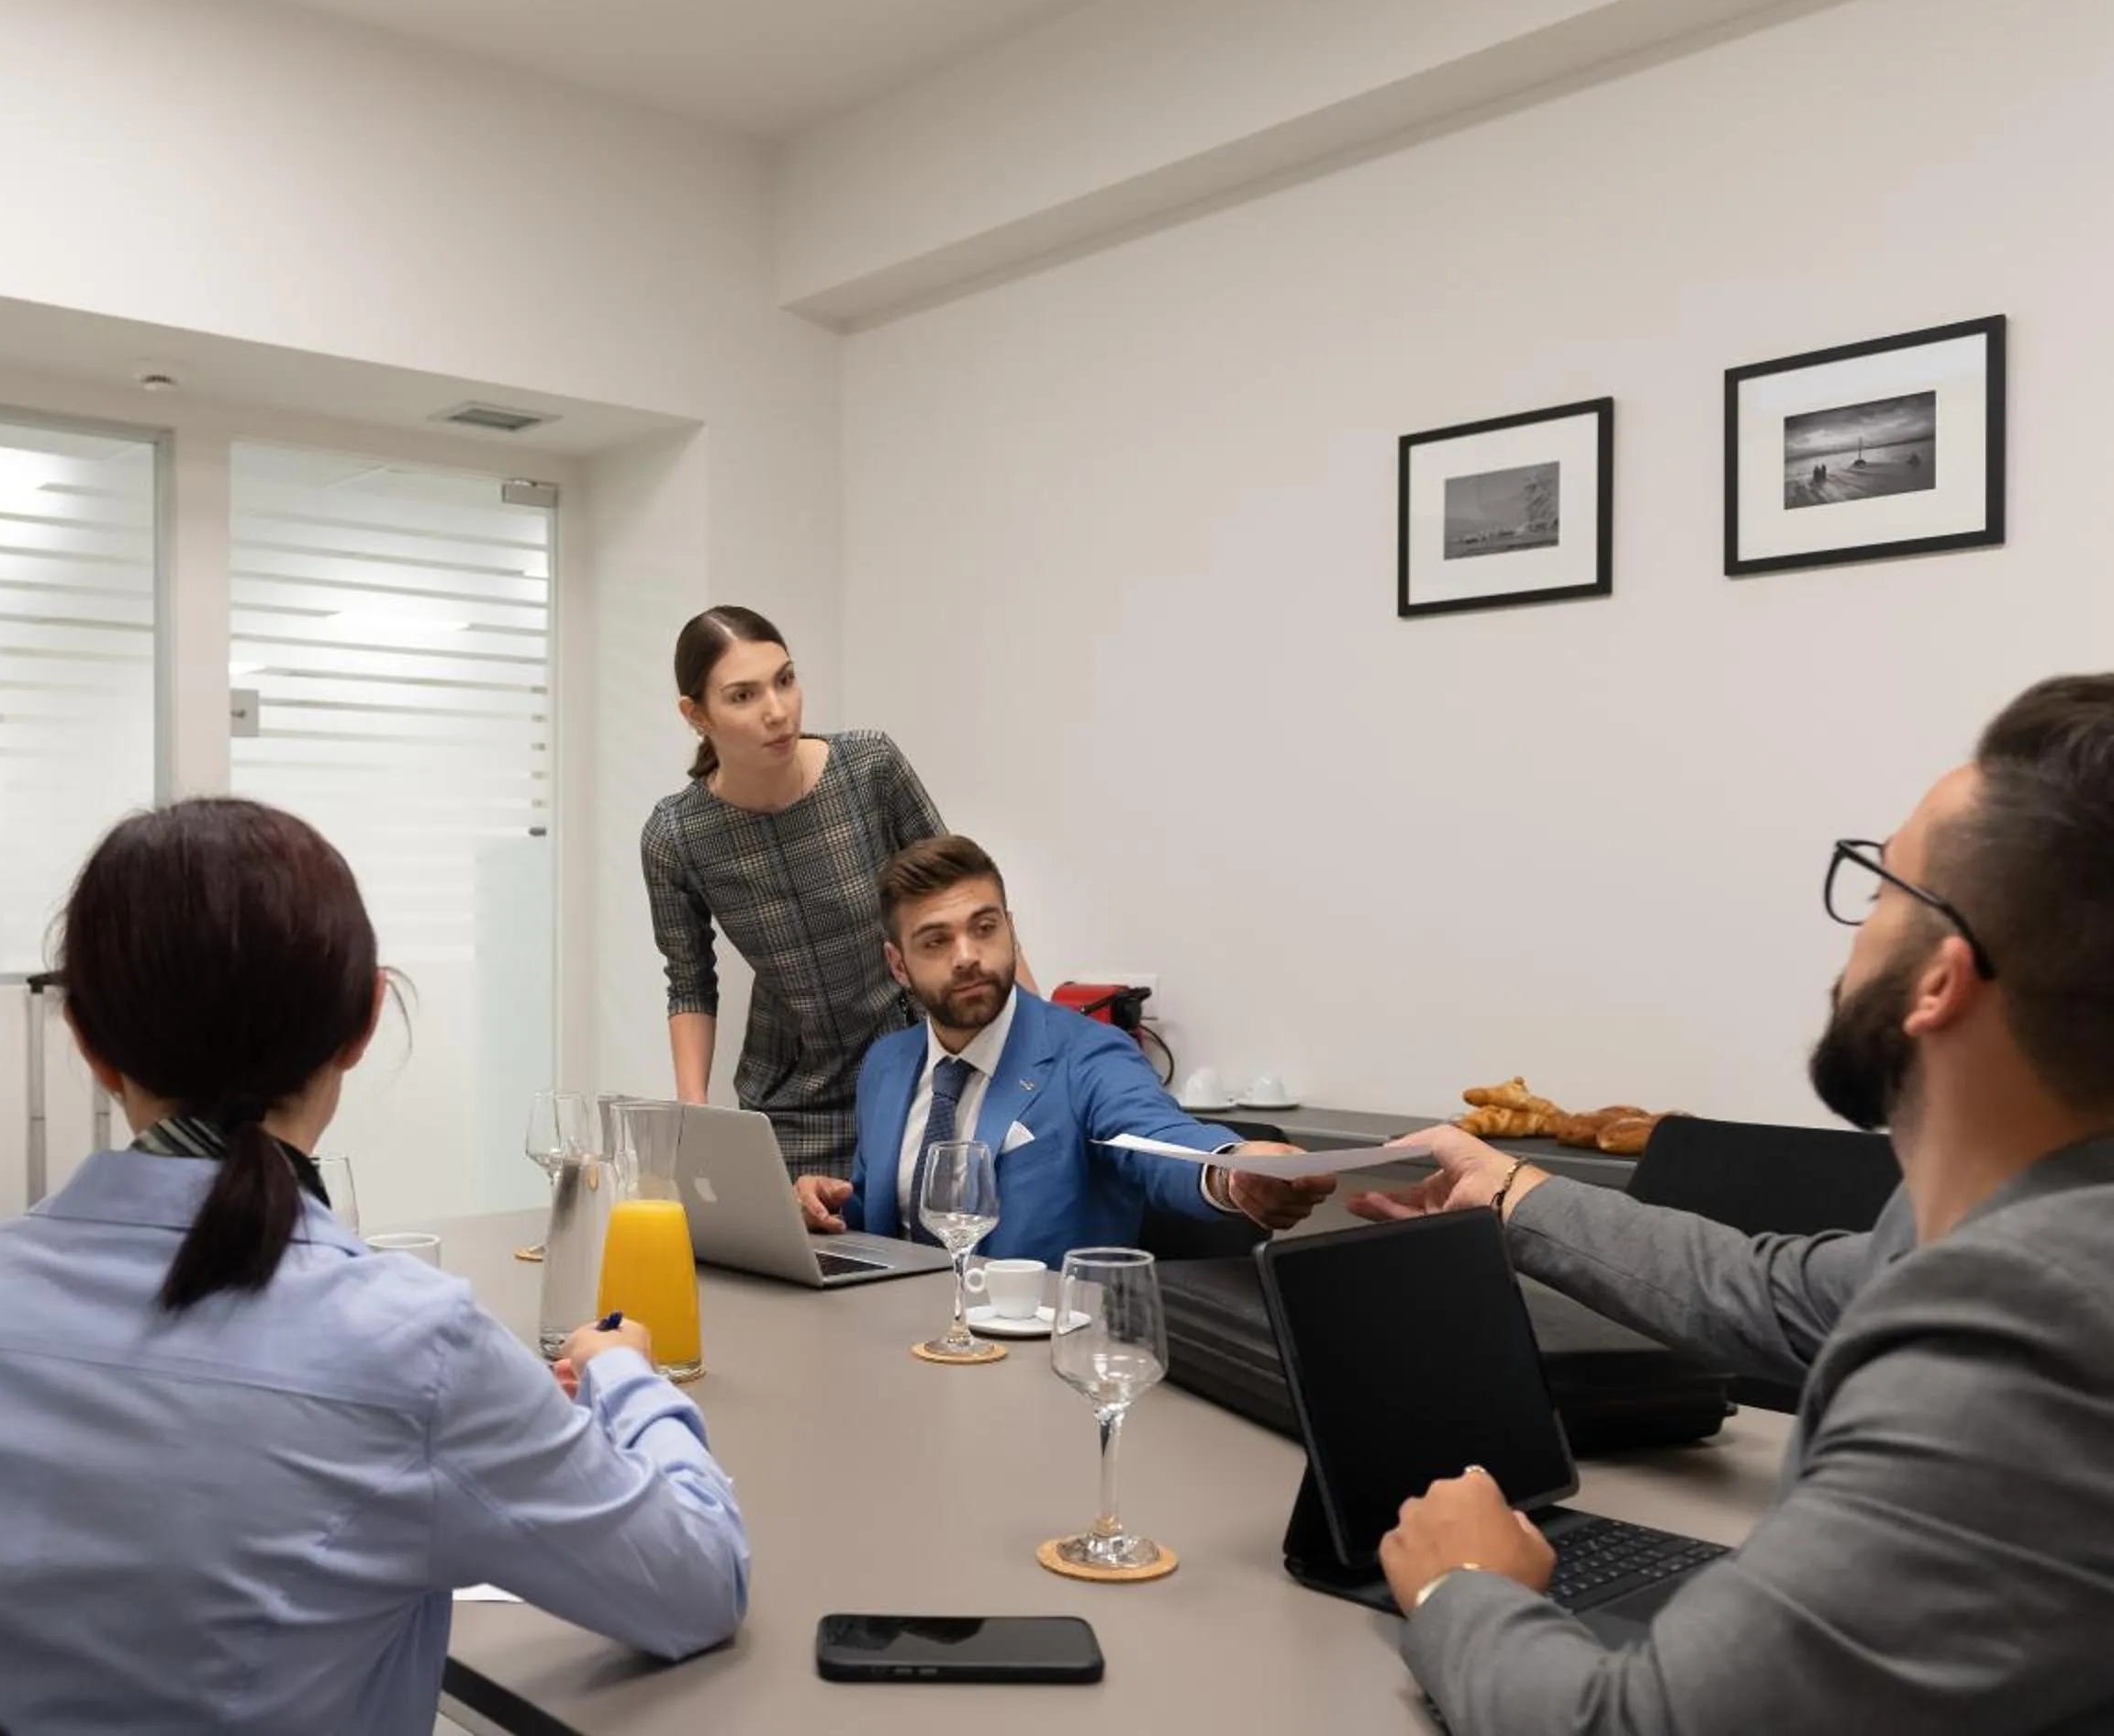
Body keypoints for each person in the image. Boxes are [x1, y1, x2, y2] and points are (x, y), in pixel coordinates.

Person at [0, 798, 749, 1736]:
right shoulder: (407, 1346)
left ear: (87, 1040)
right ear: (364, 1019)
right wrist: (624, 1371)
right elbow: (697, 1582)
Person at [1348, 673, 2114, 1735]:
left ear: (1941, 980)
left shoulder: (2032, 1319)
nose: (1854, 933)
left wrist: (1461, 1585)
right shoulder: (2005, 1221)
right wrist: (1511, 1190)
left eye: (1882, 882)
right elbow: (1770, 1290)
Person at [795, 835, 1332, 1263]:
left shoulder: (1090, 1054)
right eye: (936, 941)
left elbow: (1158, 1141)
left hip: (1040, 1353)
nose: (967, 956)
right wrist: (827, 1206)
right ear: (898, 965)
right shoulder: (887, 1064)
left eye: (984, 928)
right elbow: (883, 1218)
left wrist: (1229, 1171)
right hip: (902, 1344)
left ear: (1011, 931)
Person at [642, 605, 1027, 1181]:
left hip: (921, 1070)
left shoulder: (869, 768)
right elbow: (690, 983)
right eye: (743, 696)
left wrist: (1042, 1046)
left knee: (939, 1245)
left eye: (785, 680)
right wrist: (693, 1114)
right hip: (796, 1101)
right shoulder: (676, 836)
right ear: (696, 715)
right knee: (802, 1261)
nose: (777, 711)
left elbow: (965, 907)